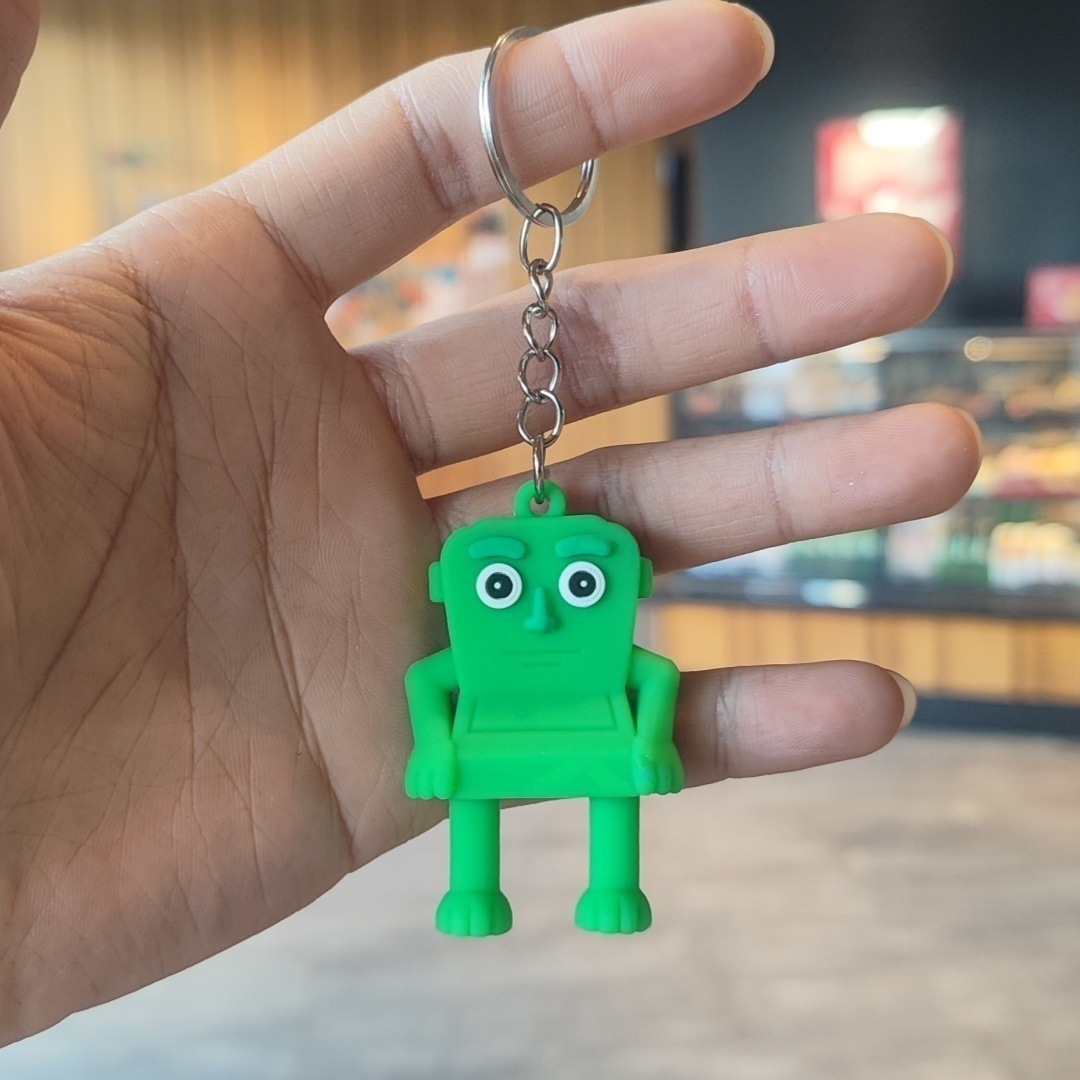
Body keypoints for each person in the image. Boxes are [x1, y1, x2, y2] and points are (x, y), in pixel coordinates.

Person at [0, 0, 979, 1045]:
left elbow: (631, 677)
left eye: (584, 584)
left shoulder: (572, 644)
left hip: (576, 724)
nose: (545, 611)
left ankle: (609, 885)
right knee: (482, 802)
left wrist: (645, 737)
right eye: (500, 586)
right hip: (499, 728)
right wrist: (435, 745)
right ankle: (481, 888)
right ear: (450, 587)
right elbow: (447, 684)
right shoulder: (474, 645)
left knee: (596, 796)